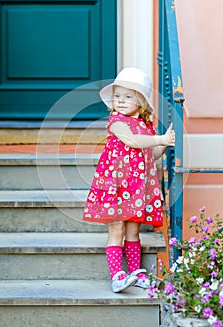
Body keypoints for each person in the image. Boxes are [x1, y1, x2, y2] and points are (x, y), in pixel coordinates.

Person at [83, 67, 175, 293]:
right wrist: (159, 138)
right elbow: (132, 141)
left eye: (128, 96)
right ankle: (116, 275)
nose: (121, 101)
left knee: (133, 231)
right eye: (117, 96)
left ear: (141, 101)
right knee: (117, 230)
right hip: (115, 186)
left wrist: (164, 143)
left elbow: (148, 155)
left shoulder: (146, 126)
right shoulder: (116, 121)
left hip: (135, 188)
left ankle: (136, 272)